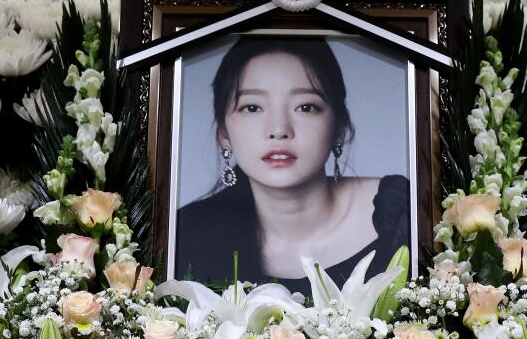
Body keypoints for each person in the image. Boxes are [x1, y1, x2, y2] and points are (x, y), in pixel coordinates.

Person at [175, 36, 410, 295]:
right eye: (252, 107)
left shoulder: (400, 212)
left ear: (340, 128)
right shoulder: (186, 235)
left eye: (306, 107)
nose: (279, 130)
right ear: (224, 135)